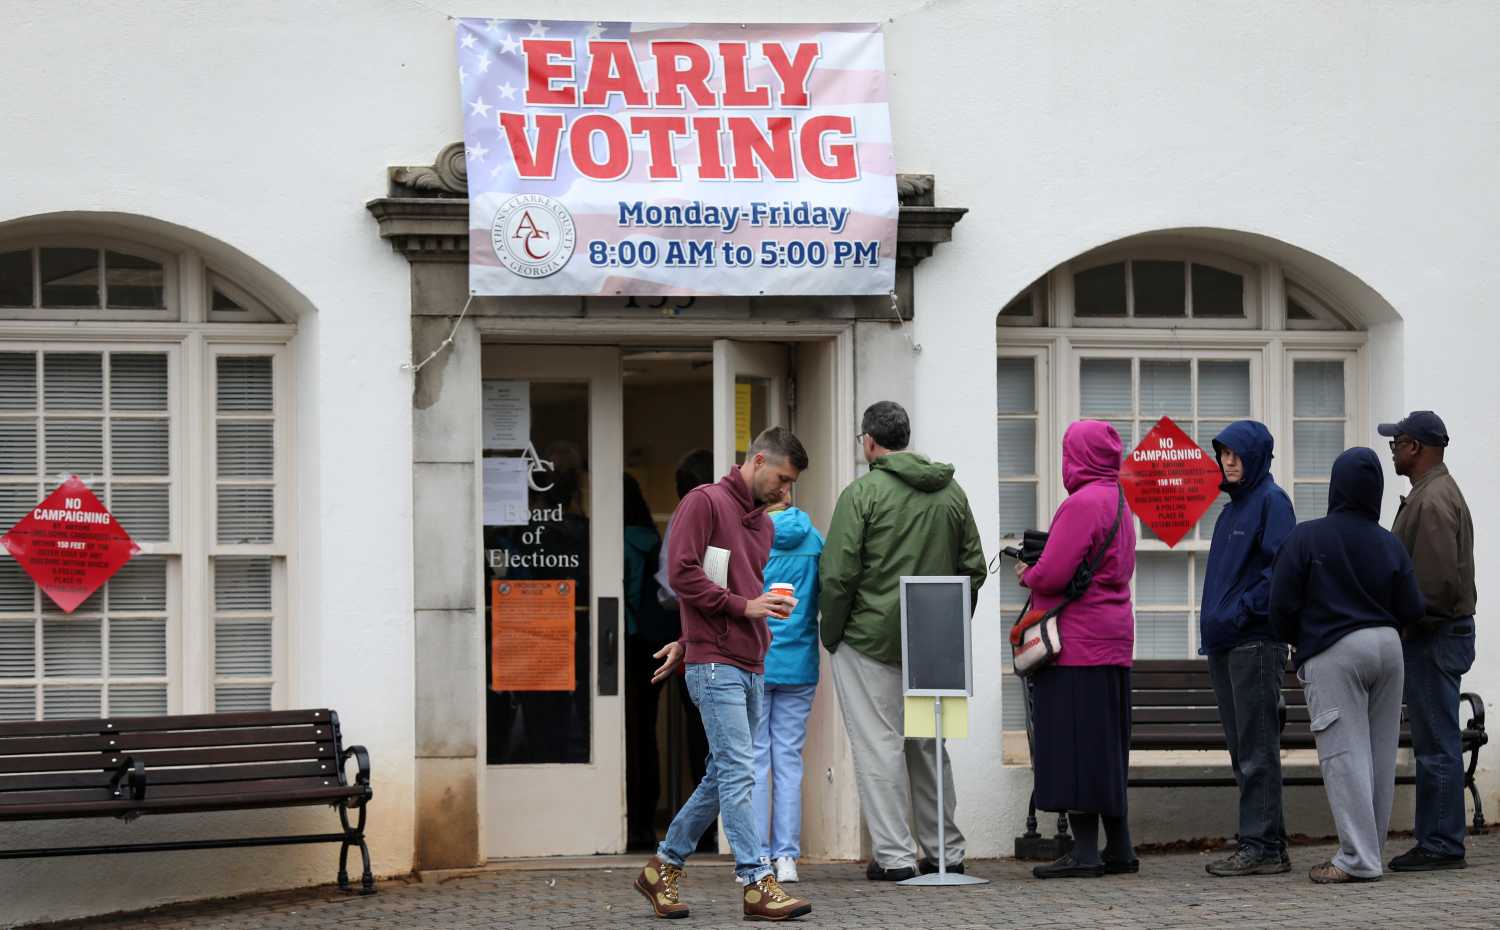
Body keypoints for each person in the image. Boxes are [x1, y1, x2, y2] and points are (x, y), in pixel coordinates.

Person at [633, 427, 813, 922]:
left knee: (722, 773)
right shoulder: (704, 503)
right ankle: (757, 881)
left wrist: (692, 635)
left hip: (750, 662)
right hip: (716, 667)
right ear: (757, 461)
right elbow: (682, 573)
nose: (785, 491)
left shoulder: (764, 527)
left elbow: (718, 586)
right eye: (781, 478)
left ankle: (662, 868)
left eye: (791, 483)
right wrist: (741, 610)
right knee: (738, 771)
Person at [819, 401, 986, 881]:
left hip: (869, 639)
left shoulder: (862, 494)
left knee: (880, 746)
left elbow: (838, 575)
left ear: (870, 442)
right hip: (934, 640)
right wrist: (948, 625)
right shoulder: (951, 492)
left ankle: (895, 857)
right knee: (929, 744)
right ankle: (945, 851)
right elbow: (973, 569)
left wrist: (833, 634)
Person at [1269, 447, 1425, 883]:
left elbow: (1279, 605)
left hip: (1334, 650)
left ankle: (1357, 859)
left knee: (1343, 754)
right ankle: (1368, 851)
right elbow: (1413, 606)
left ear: (1335, 486)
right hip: (1388, 648)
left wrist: (1299, 638)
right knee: (1377, 756)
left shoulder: (1307, 537)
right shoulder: (1388, 542)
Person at [1017, 420, 1138, 879]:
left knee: (1076, 746)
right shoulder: (1120, 500)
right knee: (1106, 747)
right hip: (1113, 641)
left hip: (1076, 645)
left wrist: (1028, 574)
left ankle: (1085, 853)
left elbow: (1052, 574)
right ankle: (1120, 848)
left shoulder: (1082, 502)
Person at [1378, 411, 1478, 872]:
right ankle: (1438, 838)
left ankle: (1440, 843)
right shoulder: (1432, 492)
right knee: (1437, 740)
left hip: (1434, 636)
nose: (1392, 449)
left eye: (1397, 442)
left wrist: (1405, 618)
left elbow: (1436, 587)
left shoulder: (1433, 499)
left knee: (1436, 742)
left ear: (1416, 447)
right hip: (1436, 635)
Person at [1198, 421, 1297, 876]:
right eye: (1223, 453)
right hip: (1227, 643)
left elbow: (1279, 571)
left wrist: (1240, 612)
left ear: (1256, 456)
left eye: (1237, 453)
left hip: (1254, 642)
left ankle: (1259, 845)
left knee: (1256, 750)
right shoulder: (1231, 510)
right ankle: (1269, 845)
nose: (1228, 460)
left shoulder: (1272, 502)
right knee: (1245, 750)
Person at [752, 502, 824, 884]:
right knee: (789, 760)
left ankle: (758, 855)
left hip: (756, 659)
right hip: (800, 662)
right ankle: (787, 859)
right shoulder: (815, 539)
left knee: (756, 759)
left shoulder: (751, 536)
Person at [657, 448, 717, 852]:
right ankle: (747, 864)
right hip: (701, 647)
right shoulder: (707, 516)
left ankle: (679, 850)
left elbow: (667, 587)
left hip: (697, 644)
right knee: (726, 761)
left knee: (716, 756)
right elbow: (676, 578)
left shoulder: (686, 518)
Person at [623, 473, 679, 850]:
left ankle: (636, 825)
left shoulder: (621, 540)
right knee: (647, 734)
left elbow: (622, 593)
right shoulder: (651, 538)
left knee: (633, 733)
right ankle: (645, 823)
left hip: (629, 643)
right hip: (659, 640)